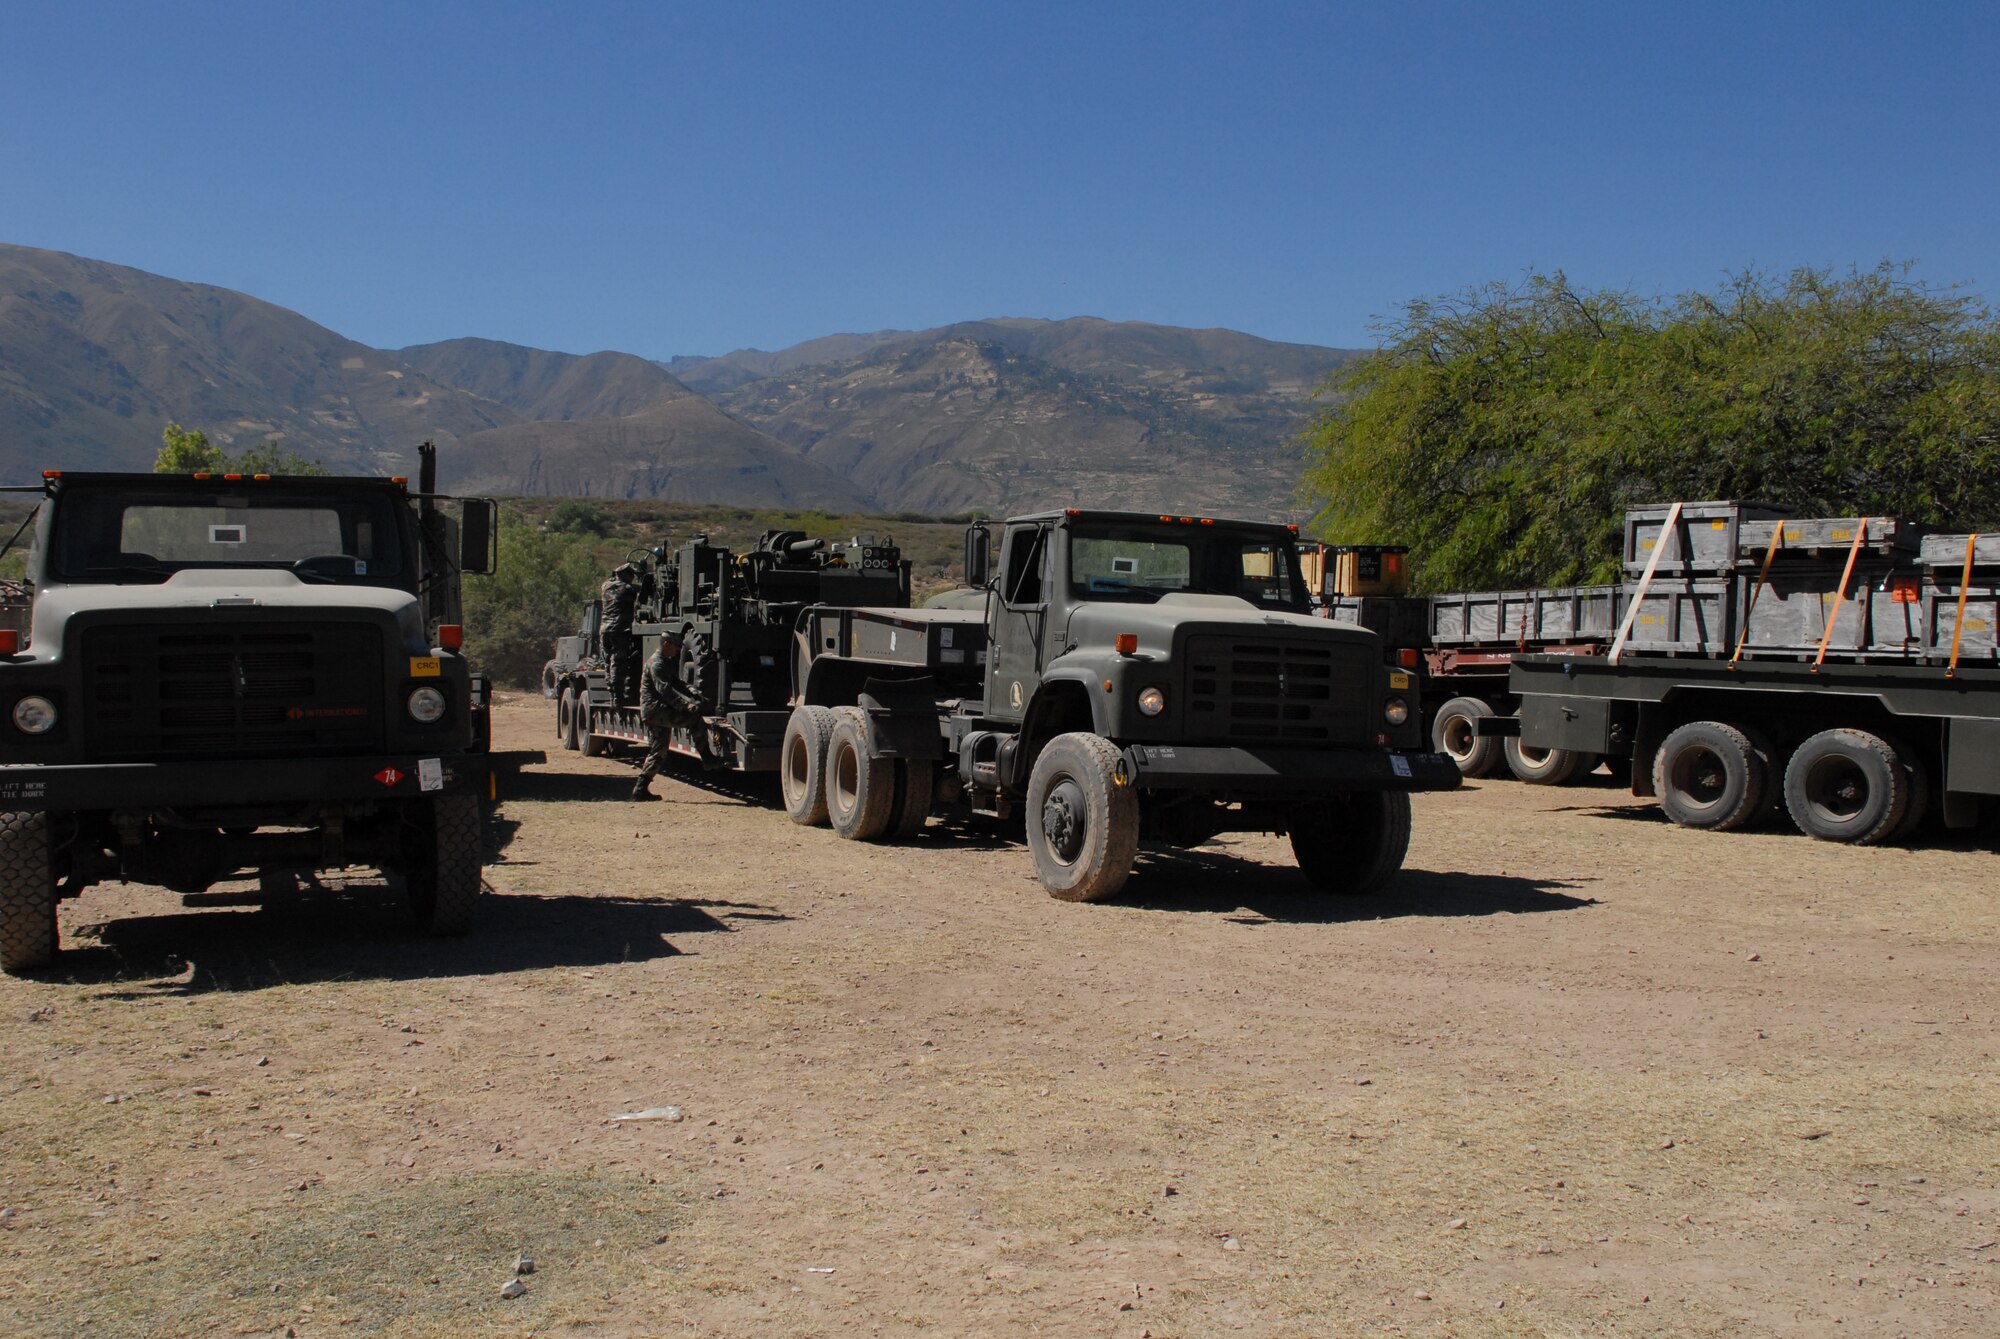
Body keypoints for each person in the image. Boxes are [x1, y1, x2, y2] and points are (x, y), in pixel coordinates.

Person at [632, 626, 720, 800]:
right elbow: (665, 690)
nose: (677, 650)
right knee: (694, 719)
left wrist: (692, 693)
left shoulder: (664, 661)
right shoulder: (657, 663)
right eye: (675, 647)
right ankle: (707, 758)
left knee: (659, 751)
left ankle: (640, 789)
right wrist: (686, 705)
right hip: (656, 710)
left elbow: (677, 683)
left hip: (657, 710)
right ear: (666, 644)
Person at [599, 564, 641, 704]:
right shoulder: (629, 589)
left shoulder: (605, 586)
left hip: (605, 628)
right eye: (631, 575)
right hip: (620, 629)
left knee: (607, 661)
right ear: (627, 575)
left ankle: (612, 694)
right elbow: (645, 590)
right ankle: (618, 697)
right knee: (618, 661)